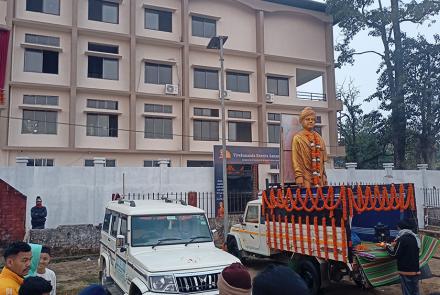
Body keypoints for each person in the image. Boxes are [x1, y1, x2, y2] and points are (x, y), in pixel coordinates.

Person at [291, 107, 328, 188]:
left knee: (321, 198)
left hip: (319, 176)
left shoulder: (319, 137)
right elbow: (295, 159)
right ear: (301, 121)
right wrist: (298, 176)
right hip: (305, 176)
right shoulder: (298, 138)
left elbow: (321, 160)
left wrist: (324, 174)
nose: (311, 121)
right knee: (307, 198)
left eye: (313, 119)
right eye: (307, 119)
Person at [384, 219, 421, 295]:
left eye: (398, 227)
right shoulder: (414, 238)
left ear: (401, 228)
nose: (397, 229)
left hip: (406, 270)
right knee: (415, 291)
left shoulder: (402, 239)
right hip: (415, 269)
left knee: (407, 292)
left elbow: (394, 254)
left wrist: (386, 247)